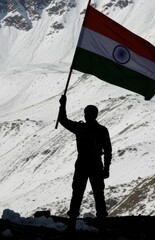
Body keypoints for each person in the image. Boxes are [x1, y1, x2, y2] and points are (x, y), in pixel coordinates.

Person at [58, 95, 112, 228]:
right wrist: (106, 169)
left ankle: (73, 218)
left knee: (79, 191)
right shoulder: (101, 130)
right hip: (94, 164)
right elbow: (108, 151)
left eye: (87, 114)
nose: (87, 116)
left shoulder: (80, 128)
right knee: (96, 192)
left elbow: (63, 120)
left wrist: (63, 105)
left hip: (83, 163)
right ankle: (100, 218)